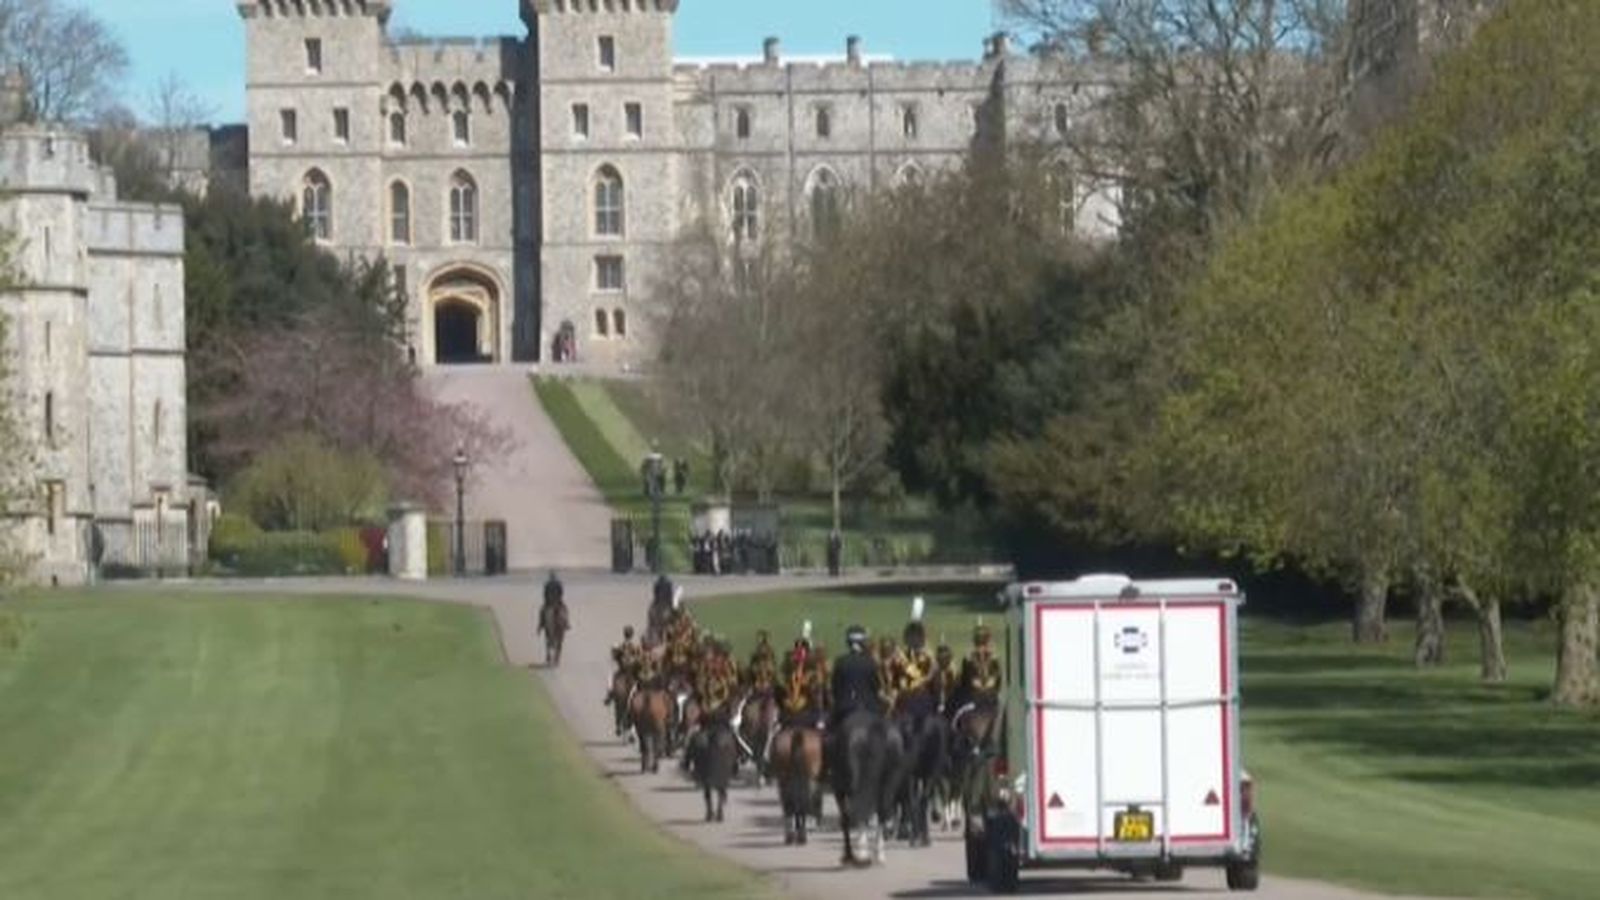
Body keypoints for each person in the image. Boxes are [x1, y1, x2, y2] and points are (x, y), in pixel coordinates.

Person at [829, 625, 883, 730]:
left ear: (848, 643)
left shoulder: (840, 661)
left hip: (846, 707)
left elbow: (835, 688)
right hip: (869, 706)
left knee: (830, 733)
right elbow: (876, 686)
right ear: (863, 643)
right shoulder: (871, 662)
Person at [960, 623, 1003, 710]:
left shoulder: (994, 658)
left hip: (990, 695)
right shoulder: (968, 658)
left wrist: (988, 686)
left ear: (987, 640)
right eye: (979, 641)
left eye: (983, 641)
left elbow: (996, 678)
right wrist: (977, 686)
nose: (981, 646)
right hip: (972, 695)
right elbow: (966, 679)